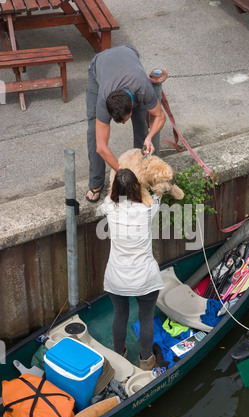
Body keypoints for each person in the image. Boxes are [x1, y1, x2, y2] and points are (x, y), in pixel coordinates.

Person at [98, 168, 164, 370]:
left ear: (115, 189)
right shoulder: (147, 209)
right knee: (145, 319)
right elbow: (158, 192)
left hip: (117, 278)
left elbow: (108, 198)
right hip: (145, 278)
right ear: (137, 187)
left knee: (120, 315)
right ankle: (146, 361)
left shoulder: (110, 207)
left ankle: (119, 354)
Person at [86, 45, 166, 202]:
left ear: (132, 106)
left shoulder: (143, 89)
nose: (122, 124)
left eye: (123, 119)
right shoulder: (103, 99)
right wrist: (123, 173)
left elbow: (160, 117)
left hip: (128, 54)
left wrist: (149, 137)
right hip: (100, 64)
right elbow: (101, 147)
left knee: (142, 128)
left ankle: (143, 177)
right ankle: (96, 184)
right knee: (93, 132)